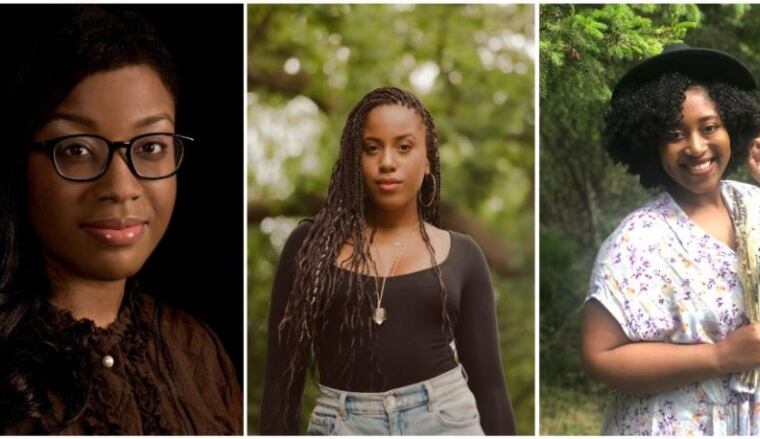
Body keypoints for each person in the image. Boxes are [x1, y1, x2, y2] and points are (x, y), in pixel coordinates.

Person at [0, 6, 242, 434]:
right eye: (76, 149)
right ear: (21, 160)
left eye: (150, 147)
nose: (121, 186)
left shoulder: (196, 350)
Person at [260, 87, 515, 435]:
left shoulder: (464, 254)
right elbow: (281, 383)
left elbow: (490, 388)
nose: (387, 162)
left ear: (427, 161)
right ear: (355, 159)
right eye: (372, 148)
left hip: (445, 420)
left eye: (404, 147)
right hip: (343, 425)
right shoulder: (309, 247)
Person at [581, 44, 760, 435]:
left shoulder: (757, 206)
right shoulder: (639, 239)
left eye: (710, 127)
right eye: (674, 134)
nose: (696, 146)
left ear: (732, 128)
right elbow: (599, 357)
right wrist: (721, 356)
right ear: (652, 145)